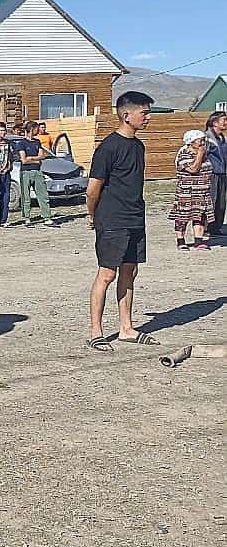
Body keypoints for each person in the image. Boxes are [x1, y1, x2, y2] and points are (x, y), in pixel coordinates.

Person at [86, 91, 159, 352]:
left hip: (135, 217)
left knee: (130, 271)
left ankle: (126, 328)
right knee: (107, 273)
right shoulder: (107, 148)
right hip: (112, 219)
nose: (148, 117)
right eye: (144, 112)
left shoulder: (138, 146)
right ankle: (96, 331)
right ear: (126, 115)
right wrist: (93, 215)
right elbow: (93, 189)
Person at [169, 129, 214, 251]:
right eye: (200, 140)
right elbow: (193, 169)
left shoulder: (205, 155)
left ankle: (198, 241)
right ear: (191, 142)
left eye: (204, 140)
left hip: (202, 192)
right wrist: (199, 154)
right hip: (187, 193)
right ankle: (181, 241)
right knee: (182, 217)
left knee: (199, 216)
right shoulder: (184, 155)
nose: (203, 143)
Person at [18, 121, 57, 227]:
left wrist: (32, 158)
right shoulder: (22, 143)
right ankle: (27, 218)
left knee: (42, 194)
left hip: (37, 171)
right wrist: (33, 159)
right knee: (26, 195)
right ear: (31, 129)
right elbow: (24, 160)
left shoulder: (37, 142)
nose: (38, 131)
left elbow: (42, 156)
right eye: (36, 129)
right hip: (26, 172)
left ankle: (47, 217)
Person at [203, 111, 227, 236]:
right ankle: (206, 228)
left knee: (221, 203)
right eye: (224, 120)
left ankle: (216, 227)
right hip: (211, 174)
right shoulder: (207, 138)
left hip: (222, 174)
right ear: (215, 122)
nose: (226, 123)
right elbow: (202, 156)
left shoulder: (222, 138)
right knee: (210, 201)